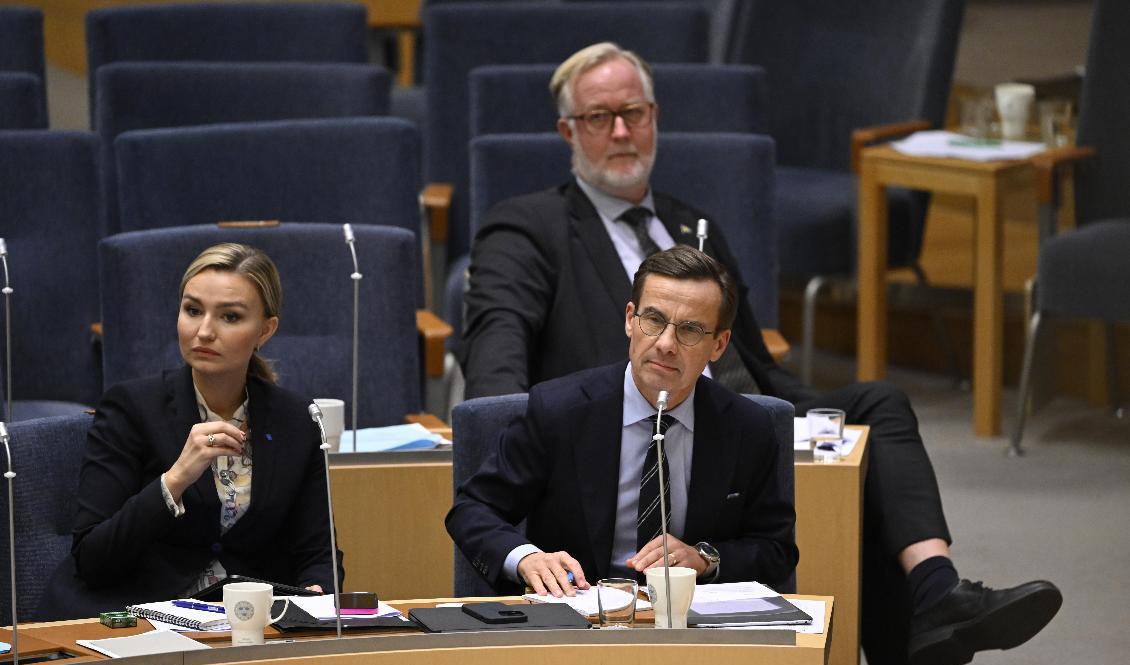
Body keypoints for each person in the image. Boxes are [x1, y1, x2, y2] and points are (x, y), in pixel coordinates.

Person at [458, 42, 1061, 665]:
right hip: (633, 423)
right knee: (863, 481)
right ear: (567, 131)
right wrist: (506, 425)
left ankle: (937, 590)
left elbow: (746, 352)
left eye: (634, 113)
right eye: (598, 117)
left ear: (655, 117)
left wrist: (796, 416)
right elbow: (498, 342)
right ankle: (922, 629)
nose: (620, 131)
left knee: (875, 407)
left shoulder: (693, 223)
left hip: (741, 419)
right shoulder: (528, 226)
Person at [448, 246, 798, 597]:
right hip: (575, 618)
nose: (665, 344)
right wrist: (527, 558)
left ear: (719, 345)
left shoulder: (746, 426)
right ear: (631, 319)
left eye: (690, 330)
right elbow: (473, 510)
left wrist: (705, 559)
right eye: (654, 320)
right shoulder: (559, 410)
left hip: (688, 626)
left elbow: (776, 550)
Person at [41, 243, 342, 619]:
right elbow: (92, 559)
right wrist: (175, 480)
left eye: (229, 317)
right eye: (192, 310)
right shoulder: (132, 408)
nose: (203, 331)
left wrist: (316, 593)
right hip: (138, 618)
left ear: (265, 330)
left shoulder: (296, 419)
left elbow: (319, 553)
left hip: (243, 622)